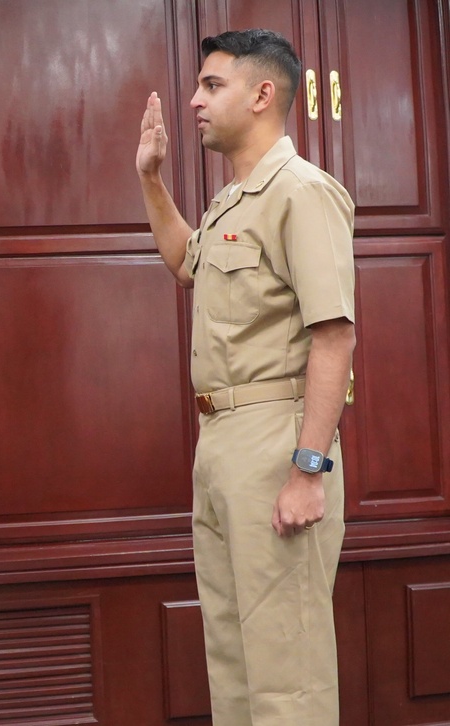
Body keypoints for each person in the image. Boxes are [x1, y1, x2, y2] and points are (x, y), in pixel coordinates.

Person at [136, 29, 355, 725]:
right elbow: (185, 264)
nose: (195, 100)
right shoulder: (235, 201)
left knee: (286, 672)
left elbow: (334, 333)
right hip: (221, 442)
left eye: (212, 85)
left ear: (263, 94)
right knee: (235, 662)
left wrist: (308, 469)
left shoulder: (300, 193)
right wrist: (150, 177)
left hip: (275, 442)